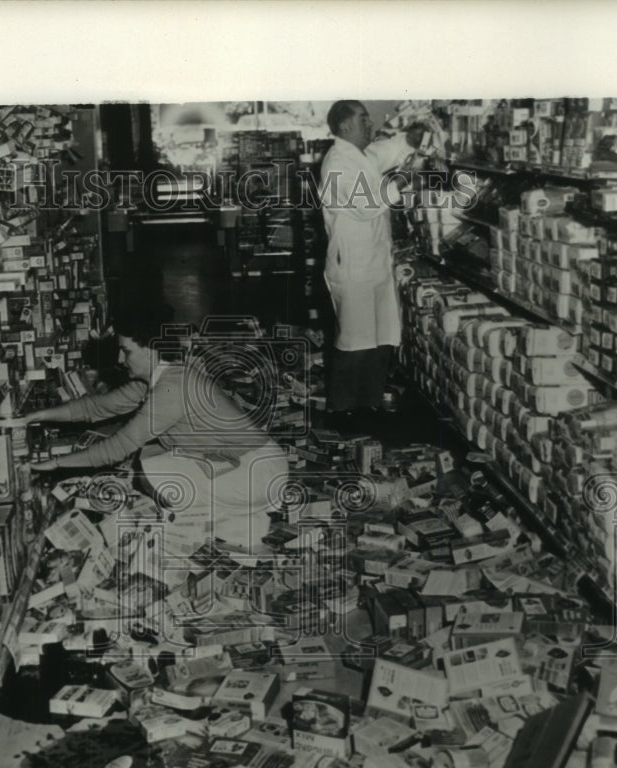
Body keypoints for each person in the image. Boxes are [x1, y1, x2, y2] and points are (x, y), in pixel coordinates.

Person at [25, 300, 289, 549]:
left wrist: (57, 463)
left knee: (157, 471)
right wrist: (34, 416)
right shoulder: (157, 377)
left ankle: (236, 525)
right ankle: (241, 519)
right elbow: (94, 407)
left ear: (150, 348)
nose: (119, 359)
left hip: (260, 472)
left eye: (126, 351)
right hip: (244, 463)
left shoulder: (171, 388)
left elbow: (117, 448)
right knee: (158, 463)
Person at [319, 100, 434, 426]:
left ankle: (368, 404)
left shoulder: (359, 156)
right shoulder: (337, 164)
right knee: (354, 341)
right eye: (363, 119)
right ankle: (340, 411)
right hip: (352, 265)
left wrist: (409, 140)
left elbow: (383, 152)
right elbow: (367, 204)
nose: (370, 124)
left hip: (373, 262)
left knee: (380, 336)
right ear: (344, 126)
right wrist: (403, 179)